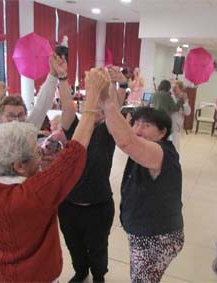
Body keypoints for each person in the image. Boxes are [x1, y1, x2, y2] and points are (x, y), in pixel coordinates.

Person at [0, 67, 111, 282]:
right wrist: (92, 97)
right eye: (35, 152)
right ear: (19, 166)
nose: (40, 152)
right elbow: (74, 154)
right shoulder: (35, 193)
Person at [52, 54, 126, 283]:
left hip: (98, 205)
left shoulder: (107, 132)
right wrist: (63, 77)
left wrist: (119, 84)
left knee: (98, 246)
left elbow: (114, 107)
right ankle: (81, 270)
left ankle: (98, 276)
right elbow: (66, 105)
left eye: (101, 110)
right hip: (69, 204)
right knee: (73, 243)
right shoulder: (73, 126)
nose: (97, 112)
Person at [102, 91, 184, 282]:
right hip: (145, 232)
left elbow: (125, 140)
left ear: (162, 132)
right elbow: (122, 133)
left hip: (157, 237)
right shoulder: (143, 149)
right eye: (136, 123)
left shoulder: (160, 152)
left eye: (146, 126)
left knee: (142, 280)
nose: (138, 130)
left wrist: (106, 100)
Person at [171, 80, 191, 150]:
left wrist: (185, 102)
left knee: (175, 146)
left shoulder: (183, 98)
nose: (173, 89)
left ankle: (174, 160)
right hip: (169, 124)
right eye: (172, 87)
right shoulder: (170, 97)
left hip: (177, 125)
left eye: (175, 87)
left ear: (180, 89)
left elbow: (188, 112)